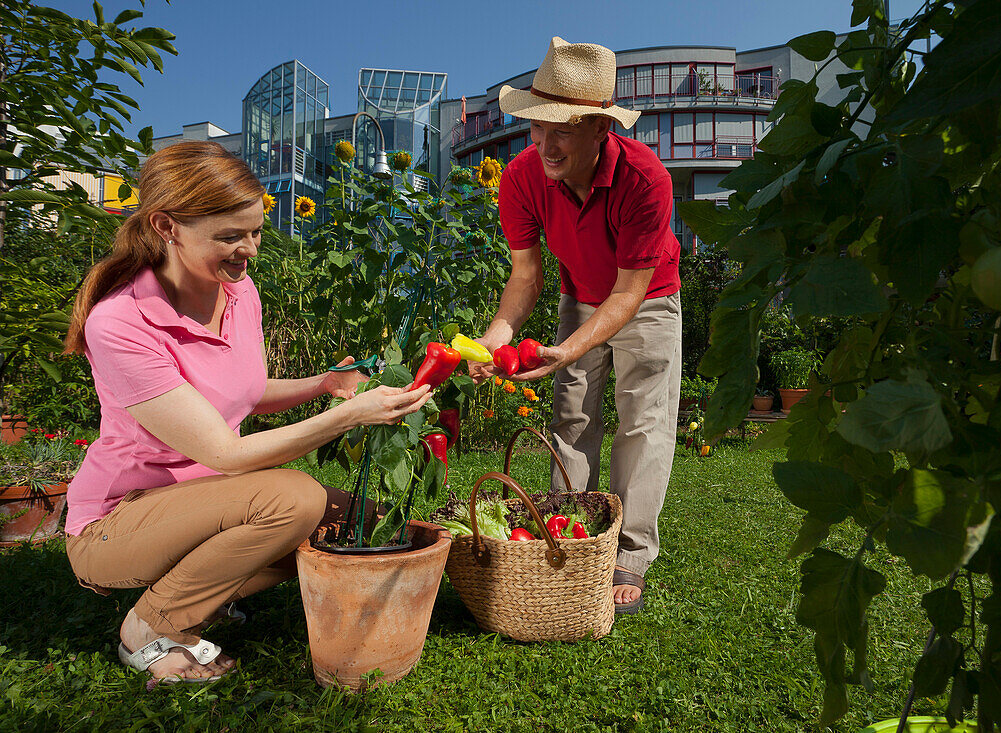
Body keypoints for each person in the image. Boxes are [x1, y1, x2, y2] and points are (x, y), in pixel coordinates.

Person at [61, 141, 432, 684]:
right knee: (296, 499)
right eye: (230, 237)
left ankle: (201, 597)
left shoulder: (237, 292)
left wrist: (327, 383)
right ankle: (149, 628)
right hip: (120, 522)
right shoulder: (121, 323)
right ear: (167, 227)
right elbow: (224, 452)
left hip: (202, 503)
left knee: (353, 523)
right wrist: (349, 417)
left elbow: (243, 392)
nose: (250, 250)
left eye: (255, 231)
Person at [470, 37, 682, 614]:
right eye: (538, 128)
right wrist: (498, 337)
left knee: (645, 422)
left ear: (598, 129)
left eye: (561, 129)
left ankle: (629, 557)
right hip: (578, 297)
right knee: (573, 417)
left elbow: (630, 291)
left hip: (650, 301)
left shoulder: (645, 179)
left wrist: (566, 350)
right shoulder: (521, 177)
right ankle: (569, 534)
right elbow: (525, 275)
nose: (545, 144)